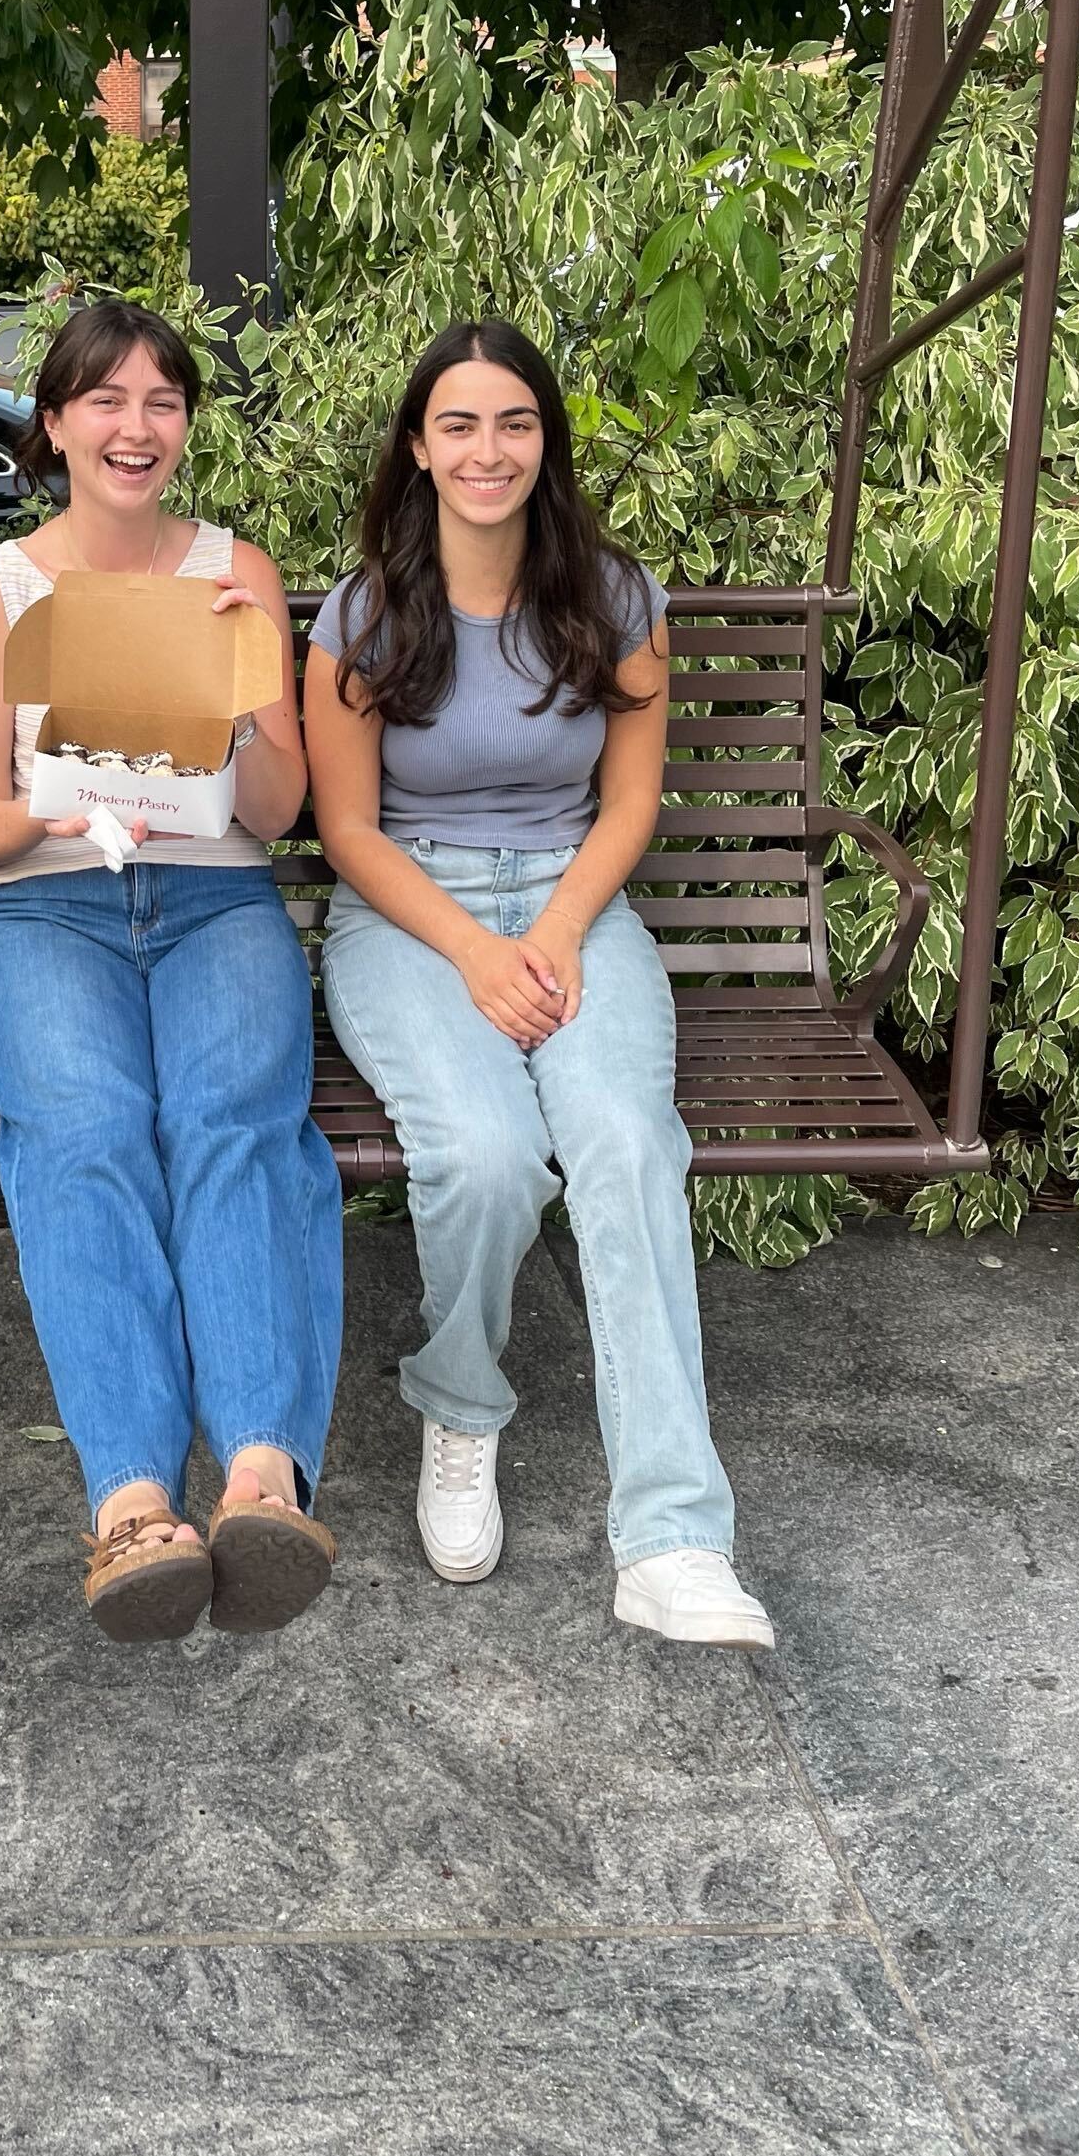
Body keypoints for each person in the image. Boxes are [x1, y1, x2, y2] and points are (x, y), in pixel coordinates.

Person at [303, 319, 772, 1649]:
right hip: (410, 918)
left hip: (574, 900)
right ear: (417, 447)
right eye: (457, 424)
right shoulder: (363, 616)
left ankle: (673, 1540)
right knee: (491, 1155)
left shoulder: (610, 600)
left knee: (624, 1144)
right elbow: (348, 832)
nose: (486, 449)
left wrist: (556, 934)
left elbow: (629, 803)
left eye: (512, 422)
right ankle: (459, 1407)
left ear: (544, 442)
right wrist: (471, 948)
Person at [0, 300, 344, 1643]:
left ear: (182, 426)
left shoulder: (240, 570)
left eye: (160, 400)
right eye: (104, 400)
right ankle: (126, 1503)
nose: (135, 426)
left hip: (215, 898)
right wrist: (41, 815)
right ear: (52, 424)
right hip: (50, 909)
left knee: (233, 1127)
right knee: (84, 1132)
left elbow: (276, 809)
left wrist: (239, 683)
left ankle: (259, 1477)